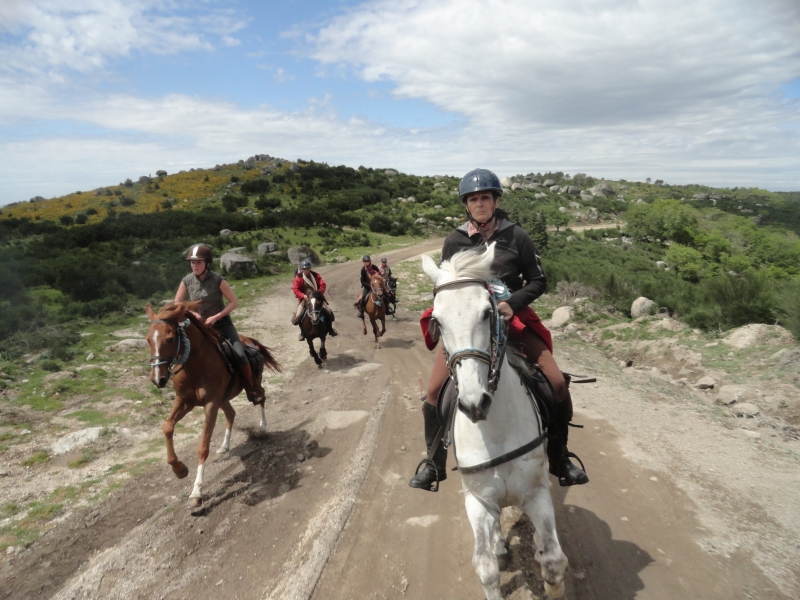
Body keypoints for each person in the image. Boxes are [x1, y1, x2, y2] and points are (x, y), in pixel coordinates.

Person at [409, 168, 589, 491]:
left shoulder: (516, 236)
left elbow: (539, 280)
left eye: (485, 198)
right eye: (473, 199)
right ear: (467, 204)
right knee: (435, 392)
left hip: (511, 320)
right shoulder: (454, 241)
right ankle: (434, 463)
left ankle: (559, 456)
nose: (480, 204)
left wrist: (513, 303)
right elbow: (448, 286)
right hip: (471, 326)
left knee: (557, 382)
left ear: (496, 200)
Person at [174, 244, 265, 404]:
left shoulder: (218, 280)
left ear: (207, 263)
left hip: (222, 325)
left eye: (199, 262)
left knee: (240, 355)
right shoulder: (187, 281)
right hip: (199, 327)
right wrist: (191, 313)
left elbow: (234, 302)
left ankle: (252, 388)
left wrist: (216, 317)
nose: (195, 265)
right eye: (192, 262)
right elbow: (177, 303)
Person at [291, 259, 337, 340]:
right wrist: (303, 296)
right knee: (298, 315)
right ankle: (302, 332)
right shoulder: (298, 277)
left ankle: (330, 329)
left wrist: (319, 293)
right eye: (304, 269)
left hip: (317, 297)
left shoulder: (316, 275)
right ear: (301, 269)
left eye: (307, 269)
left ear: (310, 268)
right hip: (305, 298)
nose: (306, 270)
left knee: (328, 311)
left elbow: (322, 285)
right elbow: (295, 289)